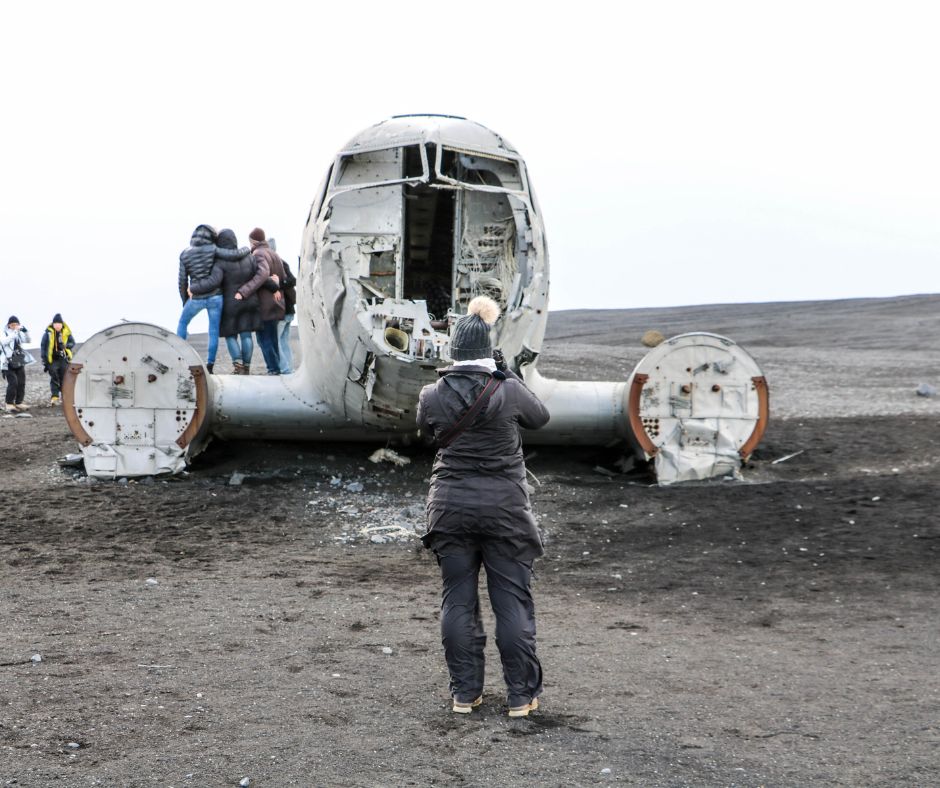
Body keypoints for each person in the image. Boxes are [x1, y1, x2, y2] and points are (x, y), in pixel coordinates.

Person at [416, 295, 550, 718]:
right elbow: (541, 418)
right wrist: (509, 374)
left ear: (453, 351)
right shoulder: (509, 390)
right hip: (505, 510)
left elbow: (426, 433)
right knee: (511, 602)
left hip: (450, 506)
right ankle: (519, 697)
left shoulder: (430, 394)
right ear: (487, 350)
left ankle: (464, 694)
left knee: (457, 599)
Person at [177, 224, 250, 373]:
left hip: (195, 297)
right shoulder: (213, 250)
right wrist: (248, 249)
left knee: (183, 323)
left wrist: (185, 301)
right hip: (215, 297)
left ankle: (178, 355)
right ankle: (210, 365)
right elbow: (234, 254)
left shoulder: (184, 254)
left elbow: (182, 281)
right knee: (213, 331)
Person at [191, 229, 261, 374]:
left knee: (230, 335)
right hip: (250, 300)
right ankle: (246, 366)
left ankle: (238, 365)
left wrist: (194, 288)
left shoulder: (221, 262)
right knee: (246, 335)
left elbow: (213, 282)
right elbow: (258, 276)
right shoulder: (249, 257)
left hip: (231, 304)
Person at [247, 227, 286, 374]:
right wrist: (275, 283)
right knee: (272, 338)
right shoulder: (274, 254)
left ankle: (273, 369)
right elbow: (282, 278)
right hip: (276, 302)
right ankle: (276, 368)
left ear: (253, 241)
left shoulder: (258, 254)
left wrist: (247, 288)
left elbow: (260, 277)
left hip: (263, 303)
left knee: (264, 340)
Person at [1, 316, 34, 413]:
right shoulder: (4, 333)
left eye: (16, 324)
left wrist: (25, 331)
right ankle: (9, 403)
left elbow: (28, 340)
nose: (14, 326)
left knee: (21, 382)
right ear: (9, 325)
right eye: (12, 325)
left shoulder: (19, 333)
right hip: (7, 362)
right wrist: (15, 332)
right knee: (13, 382)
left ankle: (19, 402)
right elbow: (3, 342)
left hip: (19, 360)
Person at [40, 313, 75, 404]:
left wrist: (66, 346)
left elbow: (73, 343)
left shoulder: (66, 332)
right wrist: (45, 360)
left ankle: (65, 396)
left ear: (62, 324)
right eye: (55, 324)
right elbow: (43, 347)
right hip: (52, 359)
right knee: (54, 377)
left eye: (59, 324)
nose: (57, 325)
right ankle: (55, 396)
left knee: (64, 377)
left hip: (63, 358)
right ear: (53, 324)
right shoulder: (48, 334)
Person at [276, 254, 297, 374]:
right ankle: (288, 368)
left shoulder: (276, 264)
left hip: (282, 310)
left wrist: (277, 283)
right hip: (289, 309)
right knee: (284, 340)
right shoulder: (283, 262)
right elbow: (293, 280)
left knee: (277, 340)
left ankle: (285, 368)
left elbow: (293, 280)